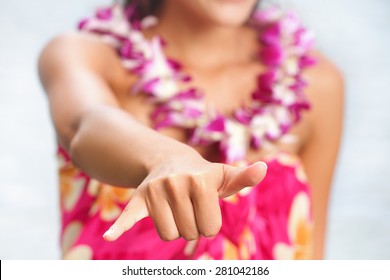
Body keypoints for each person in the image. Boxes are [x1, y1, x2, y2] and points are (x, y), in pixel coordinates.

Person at [38, 0, 343, 260]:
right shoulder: (86, 55)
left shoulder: (315, 85)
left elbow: (312, 256)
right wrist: (164, 158)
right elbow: (85, 123)